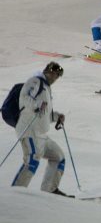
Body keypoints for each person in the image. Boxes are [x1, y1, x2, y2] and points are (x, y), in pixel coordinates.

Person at [10, 62, 70, 196]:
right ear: (47, 71)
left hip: (41, 133)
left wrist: (56, 116)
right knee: (32, 160)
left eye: (58, 76)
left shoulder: (47, 88)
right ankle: (15, 193)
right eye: (54, 74)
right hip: (29, 130)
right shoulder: (35, 81)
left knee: (58, 157)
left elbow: (45, 115)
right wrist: (36, 105)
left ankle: (50, 190)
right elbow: (25, 99)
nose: (55, 78)